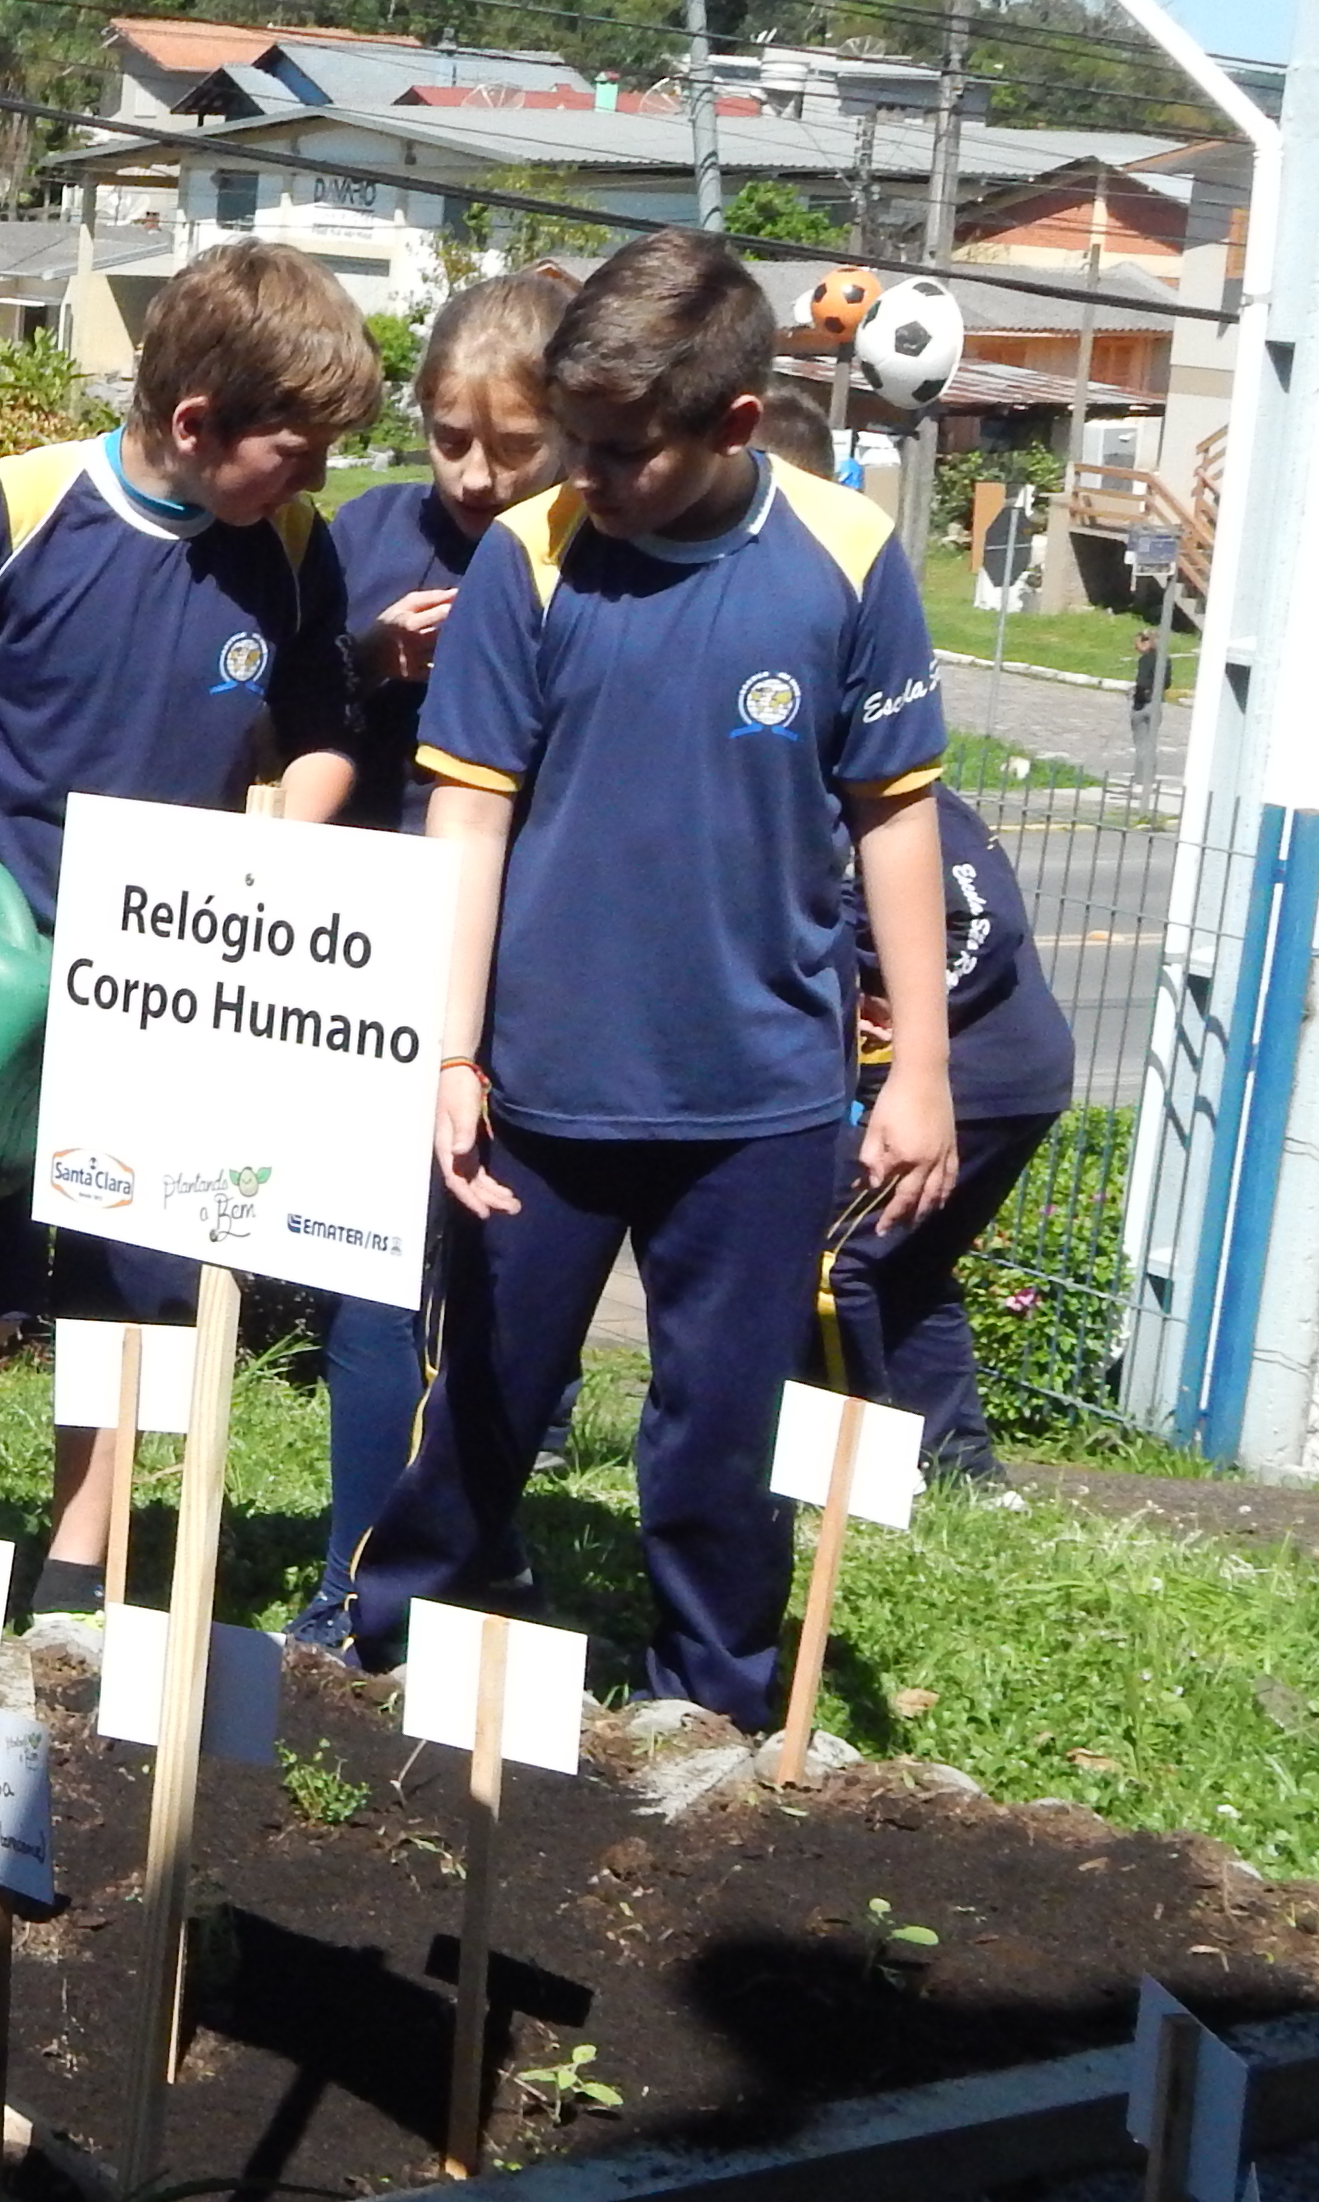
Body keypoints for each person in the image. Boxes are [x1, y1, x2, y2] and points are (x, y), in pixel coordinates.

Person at [351, 231, 960, 1726]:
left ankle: (716, 1702)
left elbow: (895, 810)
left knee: (718, 1427)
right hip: (542, 1088)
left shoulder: (849, 561)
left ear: (735, 424)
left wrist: (924, 1074)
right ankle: (393, 1653)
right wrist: (451, 1055)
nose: (585, 478)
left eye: (620, 454)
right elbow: (472, 808)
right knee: (486, 1398)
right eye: (578, 443)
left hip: (761, 1097)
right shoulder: (530, 559)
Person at [0, 241, 378, 1626]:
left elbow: (325, 726)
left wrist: (294, 828)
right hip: (4, 977)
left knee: (131, 1289)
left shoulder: (291, 551)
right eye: (294, 449)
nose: (314, 480)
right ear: (194, 424)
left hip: (165, 990)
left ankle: (77, 1574)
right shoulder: (26, 506)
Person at [292, 263, 571, 1650]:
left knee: (506, 1292)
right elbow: (290, 705)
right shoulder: (370, 532)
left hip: (533, 961)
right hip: (376, 950)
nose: (473, 475)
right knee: (371, 1273)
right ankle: (355, 1579)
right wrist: (370, 661)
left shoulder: (589, 555)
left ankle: (488, 1552)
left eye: (512, 449)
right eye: (451, 438)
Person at [828, 785, 1073, 1483]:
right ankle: (959, 1473)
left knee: (832, 1263)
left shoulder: (905, 798)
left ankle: (859, 1479)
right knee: (906, 1270)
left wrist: (912, 1019)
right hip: (1002, 1076)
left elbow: (982, 927)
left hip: (972, 1080)